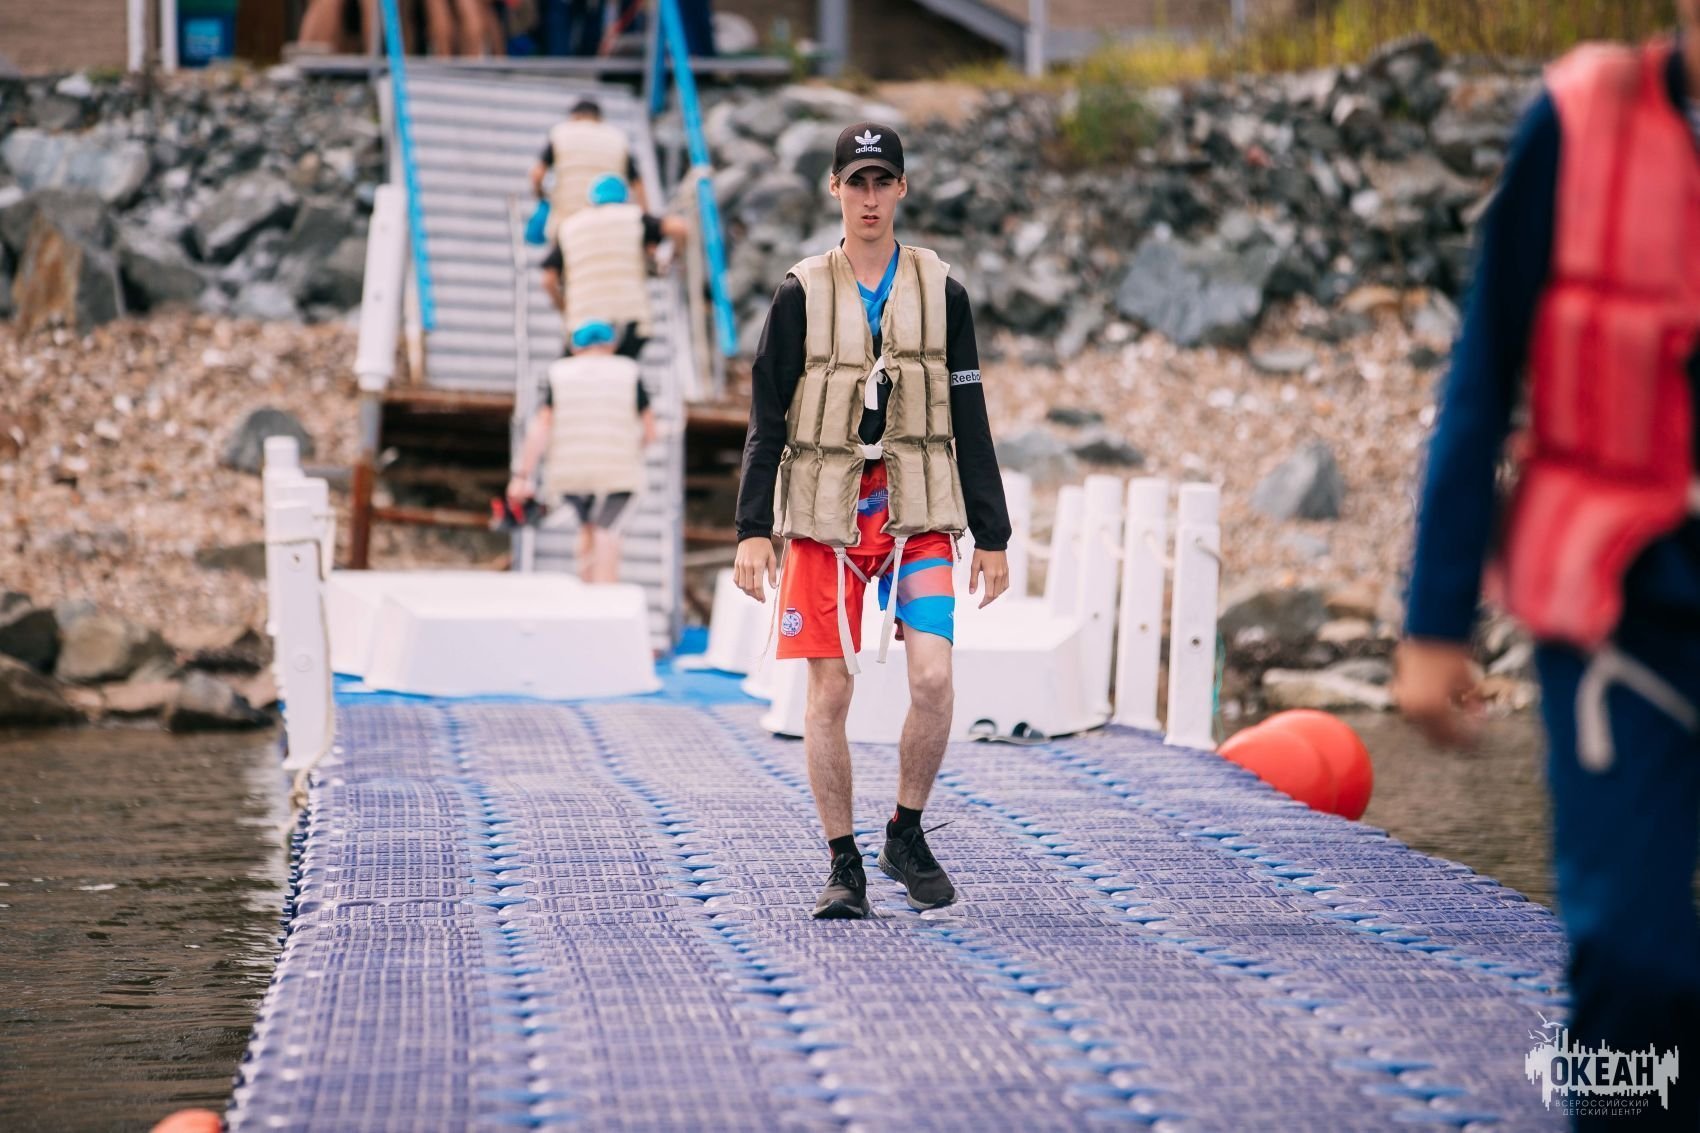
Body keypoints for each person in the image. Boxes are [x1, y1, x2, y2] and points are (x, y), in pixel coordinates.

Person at [1396, 12, 1700, 1128]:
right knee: (1630, 957)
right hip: (1624, 618)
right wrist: (1435, 621)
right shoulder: (1577, 121)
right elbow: (1482, 370)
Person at [733, 122, 1012, 920]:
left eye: (882, 181)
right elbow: (767, 416)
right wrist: (753, 526)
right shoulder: (800, 292)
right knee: (829, 693)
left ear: (902, 189)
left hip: (916, 509)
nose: (869, 197)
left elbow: (969, 414)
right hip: (826, 518)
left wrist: (992, 534)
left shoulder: (942, 291)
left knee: (933, 677)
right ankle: (842, 860)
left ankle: (905, 831)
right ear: (834, 188)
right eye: (856, 181)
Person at [508, 319, 658, 583]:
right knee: (607, 532)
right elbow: (650, 429)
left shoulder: (559, 372)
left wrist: (522, 475)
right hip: (618, 471)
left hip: (571, 473)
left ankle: (586, 592)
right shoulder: (628, 371)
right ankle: (605, 597)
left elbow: (541, 426)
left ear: (575, 346)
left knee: (586, 530)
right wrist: (638, 449)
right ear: (611, 345)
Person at [541, 174, 688, 360]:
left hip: (583, 314)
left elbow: (548, 279)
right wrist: (674, 257)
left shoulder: (570, 226)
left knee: (574, 370)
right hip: (629, 315)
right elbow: (679, 228)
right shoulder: (634, 217)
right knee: (624, 368)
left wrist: (564, 308)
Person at [529, 98, 632, 244]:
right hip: (605, 224)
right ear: (599, 118)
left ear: (575, 116)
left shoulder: (561, 133)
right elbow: (637, 184)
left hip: (566, 218)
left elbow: (537, 174)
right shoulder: (618, 138)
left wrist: (542, 196)